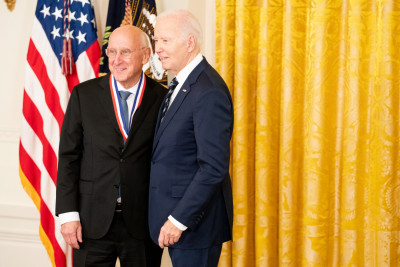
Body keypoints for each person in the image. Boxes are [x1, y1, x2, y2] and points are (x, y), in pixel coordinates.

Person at [56, 25, 166, 267]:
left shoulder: (162, 99)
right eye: (112, 51)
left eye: (125, 52)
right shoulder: (83, 95)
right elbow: (68, 158)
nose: (116, 60)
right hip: (89, 223)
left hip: (143, 224)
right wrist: (68, 215)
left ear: (146, 55)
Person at [149, 9, 234, 267]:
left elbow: (212, 168)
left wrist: (178, 220)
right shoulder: (182, 84)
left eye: (165, 41)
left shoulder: (208, 91)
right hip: (174, 222)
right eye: (156, 41)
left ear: (189, 43)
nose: (158, 49)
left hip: (194, 226)